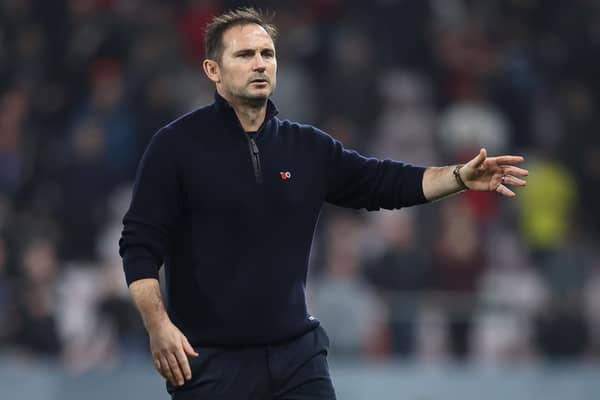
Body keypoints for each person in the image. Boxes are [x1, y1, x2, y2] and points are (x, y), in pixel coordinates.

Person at [118, 7, 528, 400]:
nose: (260, 63)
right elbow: (139, 245)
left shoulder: (307, 147)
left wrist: (460, 177)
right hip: (210, 363)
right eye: (245, 54)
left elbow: (383, 182)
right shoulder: (175, 147)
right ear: (213, 70)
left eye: (267, 54)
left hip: (297, 356)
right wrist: (158, 325)